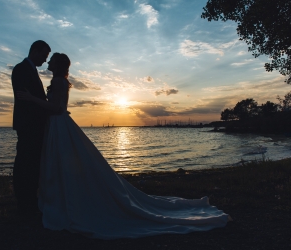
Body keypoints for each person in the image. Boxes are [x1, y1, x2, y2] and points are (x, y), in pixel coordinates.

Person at [17, 54, 230, 239]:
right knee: (57, 165)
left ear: (59, 64)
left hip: (59, 125)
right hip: (56, 126)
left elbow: (58, 107)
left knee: (62, 164)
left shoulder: (60, 82)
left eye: (52, 59)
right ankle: (59, 199)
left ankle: (66, 202)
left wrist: (32, 99)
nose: (48, 60)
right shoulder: (57, 80)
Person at [11, 40, 51, 215]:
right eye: (43, 55)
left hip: (35, 125)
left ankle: (30, 201)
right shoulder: (21, 69)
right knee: (25, 164)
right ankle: (24, 204)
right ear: (34, 51)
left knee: (32, 164)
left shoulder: (32, 71)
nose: (44, 60)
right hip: (29, 125)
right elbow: (24, 99)